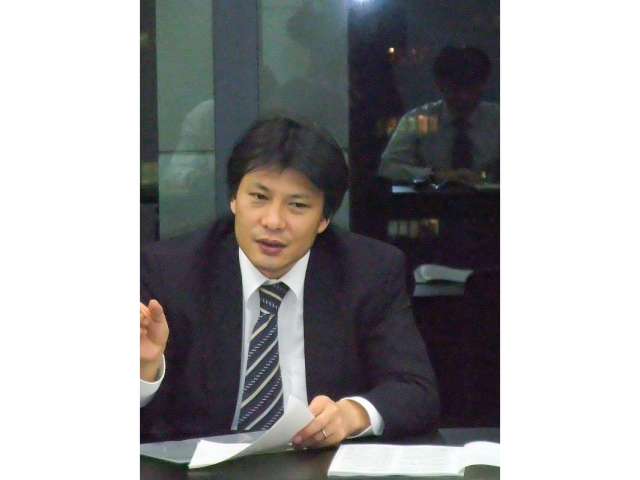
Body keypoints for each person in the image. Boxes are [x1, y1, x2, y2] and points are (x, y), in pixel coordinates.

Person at [140, 114, 440, 446]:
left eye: (297, 205)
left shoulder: (369, 271)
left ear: (324, 218)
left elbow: (415, 390)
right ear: (234, 199)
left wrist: (350, 415)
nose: (273, 221)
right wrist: (145, 370)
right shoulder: (171, 272)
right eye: (259, 197)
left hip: (317, 462)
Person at [378, 45, 499, 185]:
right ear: (439, 85)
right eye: (456, 89)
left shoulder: (498, 120)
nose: (464, 97)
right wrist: (436, 176)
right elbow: (387, 168)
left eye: (471, 88)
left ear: (484, 84)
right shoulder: (420, 121)